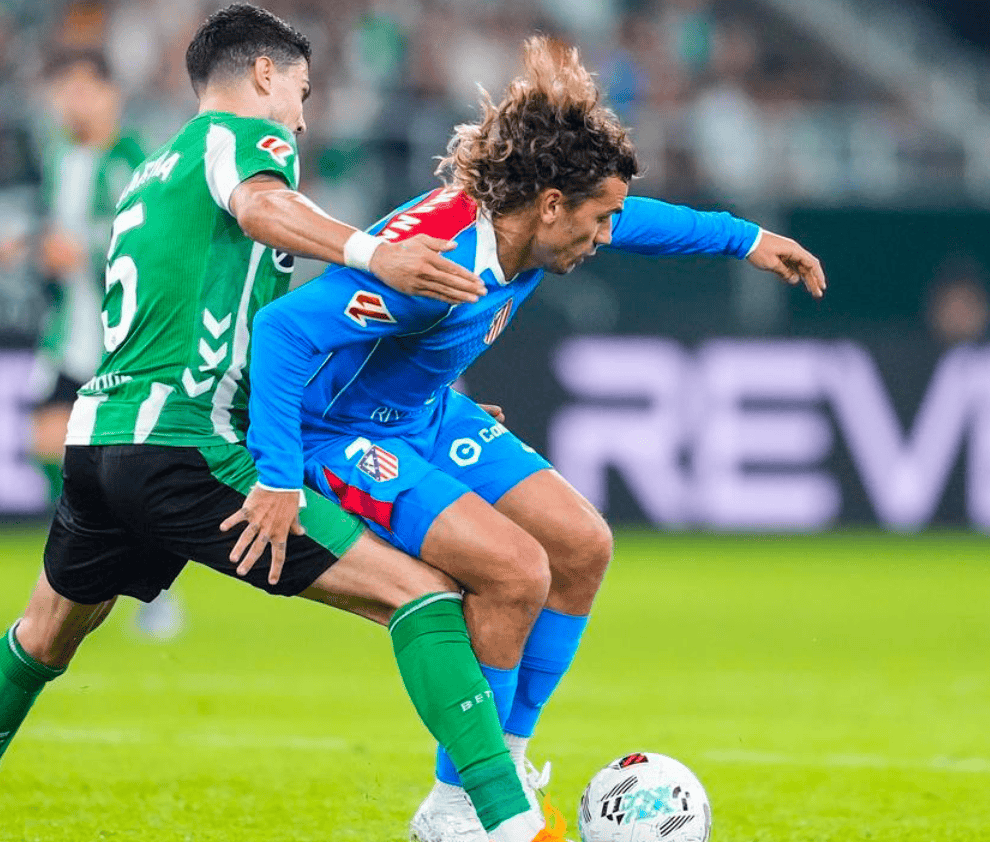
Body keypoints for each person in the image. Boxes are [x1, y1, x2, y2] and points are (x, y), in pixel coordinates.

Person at [0, 7, 568, 842]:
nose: (302, 116)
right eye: (301, 91)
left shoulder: (152, 170)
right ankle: (506, 824)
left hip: (103, 437)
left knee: (43, 636)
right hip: (189, 446)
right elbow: (259, 207)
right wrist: (372, 251)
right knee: (421, 594)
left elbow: (225, 318)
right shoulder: (242, 138)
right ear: (263, 75)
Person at [242, 35, 827, 842]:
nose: (607, 234)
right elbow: (282, 332)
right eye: (599, 219)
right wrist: (277, 475)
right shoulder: (441, 263)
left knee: (582, 546)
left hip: (425, 414)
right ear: (551, 204)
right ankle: (458, 810)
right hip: (336, 433)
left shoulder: (529, 226)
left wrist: (745, 240)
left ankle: (505, 761)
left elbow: (641, 220)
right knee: (516, 570)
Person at [16, 47, 186, 640]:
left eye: (83, 90)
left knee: (126, 469)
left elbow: (151, 242)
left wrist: (81, 251)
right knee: (48, 442)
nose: (72, 103)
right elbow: (55, 233)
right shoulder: (58, 157)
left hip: (123, 340)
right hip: (69, 333)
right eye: (63, 91)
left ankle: (154, 586)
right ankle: (79, 570)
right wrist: (29, 247)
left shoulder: (137, 160)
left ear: (111, 96)